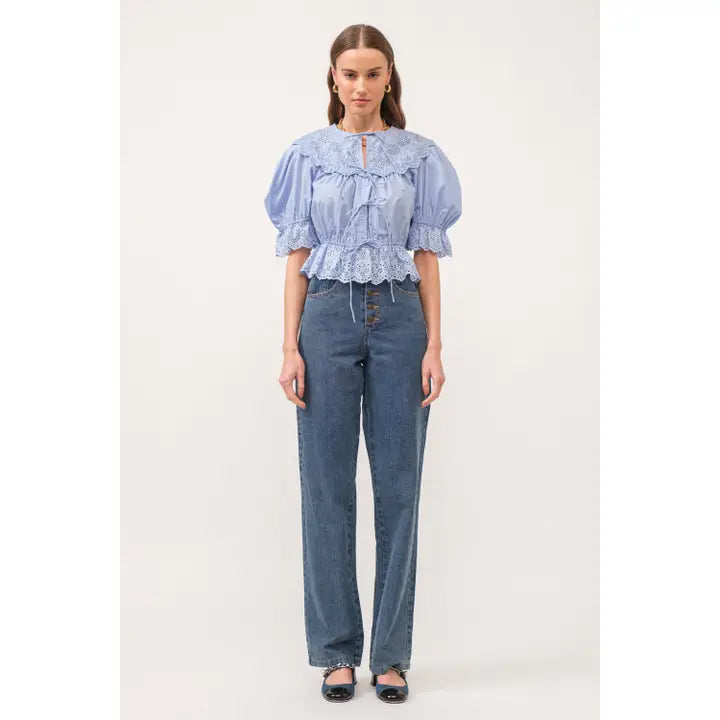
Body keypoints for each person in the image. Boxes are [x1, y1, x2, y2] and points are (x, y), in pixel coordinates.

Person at [264, 24, 462, 704]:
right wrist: (289, 346)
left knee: (400, 487)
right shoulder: (308, 155)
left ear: (389, 78)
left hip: (401, 320)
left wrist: (434, 345)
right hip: (325, 316)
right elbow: (296, 255)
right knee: (325, 486)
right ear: (333, 77)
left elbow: (427, 255)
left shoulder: (419, 156)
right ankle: (336, 652)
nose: (360, 85)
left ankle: (392, 655)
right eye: (349, 73)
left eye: (373, 73)